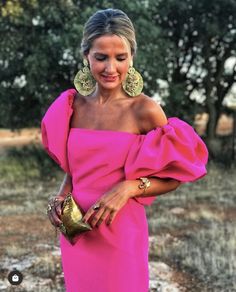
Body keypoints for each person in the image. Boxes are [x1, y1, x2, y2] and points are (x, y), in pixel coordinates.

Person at [41, 8, 208, 292]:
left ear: (132, 57)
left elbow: (174, 177)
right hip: (79, 234)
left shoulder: (145, 110)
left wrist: (130, 188)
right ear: (86, 57)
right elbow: (75, 169)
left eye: (120, 58)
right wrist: (61, 195)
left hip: (122, 236)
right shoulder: (71, 107)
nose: (110, 68)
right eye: (100, 57)